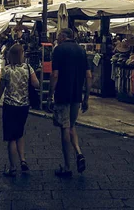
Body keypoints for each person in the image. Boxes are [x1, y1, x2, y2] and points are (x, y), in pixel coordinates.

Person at [48, 28, 92, 178]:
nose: (57, 38)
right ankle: (79, 153)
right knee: (72, 125)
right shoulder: (81, 50)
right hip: (76, 95)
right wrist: (86, 97)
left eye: (58, 35)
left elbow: (55, 75)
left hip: (62, 94)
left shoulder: (58, 50)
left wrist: (50, 95)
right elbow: (89, 75)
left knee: (65, 128)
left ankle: (67, 166)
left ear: (62, 36)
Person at [0, 43, 39, 177]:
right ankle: (23, 160)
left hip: (10, 105)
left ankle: (12, 167)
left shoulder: (7, 70)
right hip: (24, 105)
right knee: (20, 133)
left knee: (11, 137)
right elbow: (36, 84)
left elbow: (1, 88)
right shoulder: (28, 68)